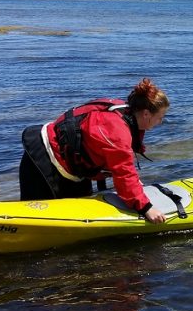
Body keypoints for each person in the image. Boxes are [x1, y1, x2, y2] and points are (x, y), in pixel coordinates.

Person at [19, 78, 170, 224]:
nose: (161, 122)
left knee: (79, 214)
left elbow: (117, 164)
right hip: (43, 160)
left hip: (69, 163)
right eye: (160, 117)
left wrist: (135, 185)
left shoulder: (124, 111)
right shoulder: (117, 133)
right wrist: (146, 208)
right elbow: (124, 174)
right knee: (37, 219)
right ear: (146, 114)